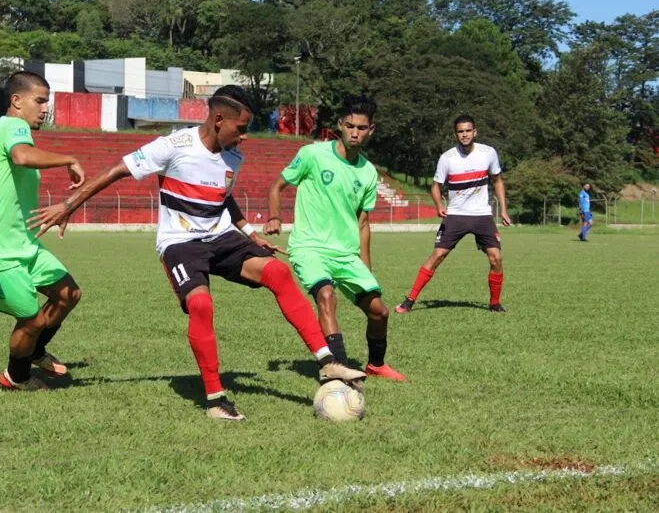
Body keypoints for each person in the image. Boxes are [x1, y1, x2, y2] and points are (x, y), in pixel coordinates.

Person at [27, 85, 366, 420]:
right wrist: (69, 205)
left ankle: (326, 361)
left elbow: (221, 196)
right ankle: (216, 398)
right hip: (180, 244)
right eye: (241, 128)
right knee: (201, 304)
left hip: (220, 237)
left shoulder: (233, 155)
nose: (244, 137)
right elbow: (116, 171)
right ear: (219, 119)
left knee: (278, 272)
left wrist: (249, 232)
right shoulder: (173, 146)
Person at [0, 71, 85, 391]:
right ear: (16, 101)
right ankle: (16, 377)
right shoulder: (12, 127)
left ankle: (36, 350)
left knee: (68, 293)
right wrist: (68, 158)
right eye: (39, 101)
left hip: (20, 246)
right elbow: (22, 156)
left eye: (47, 102)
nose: (45, 109)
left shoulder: (8, 131)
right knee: (32, 320)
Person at [264, 96, 406, 382]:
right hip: (309, 247)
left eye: (362, 128)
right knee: (326, 296)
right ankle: (337, 366)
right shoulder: (312, 155)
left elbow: (363, 224)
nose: (355, 132)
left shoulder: (367, 172)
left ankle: (376, 364)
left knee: (379, 312)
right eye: (350, 125)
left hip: (345, 253)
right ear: (340, 125)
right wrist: (274, 216)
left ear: (371, 130)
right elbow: (277, 186)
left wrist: (365, 265)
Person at [395, 115, 511, 314]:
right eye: (460, 131)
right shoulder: (447, 158)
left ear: (475, 132)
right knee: (438, 255)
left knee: (496, 258)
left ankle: (494, 303)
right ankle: (409, 300)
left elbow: (498, 181)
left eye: (468, 130)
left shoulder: (488, 153)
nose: (464, 135)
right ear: (455, 134)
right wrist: (439, 204)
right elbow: (435, 186)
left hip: (482, 215)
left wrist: (504, 210)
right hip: (456, 214)